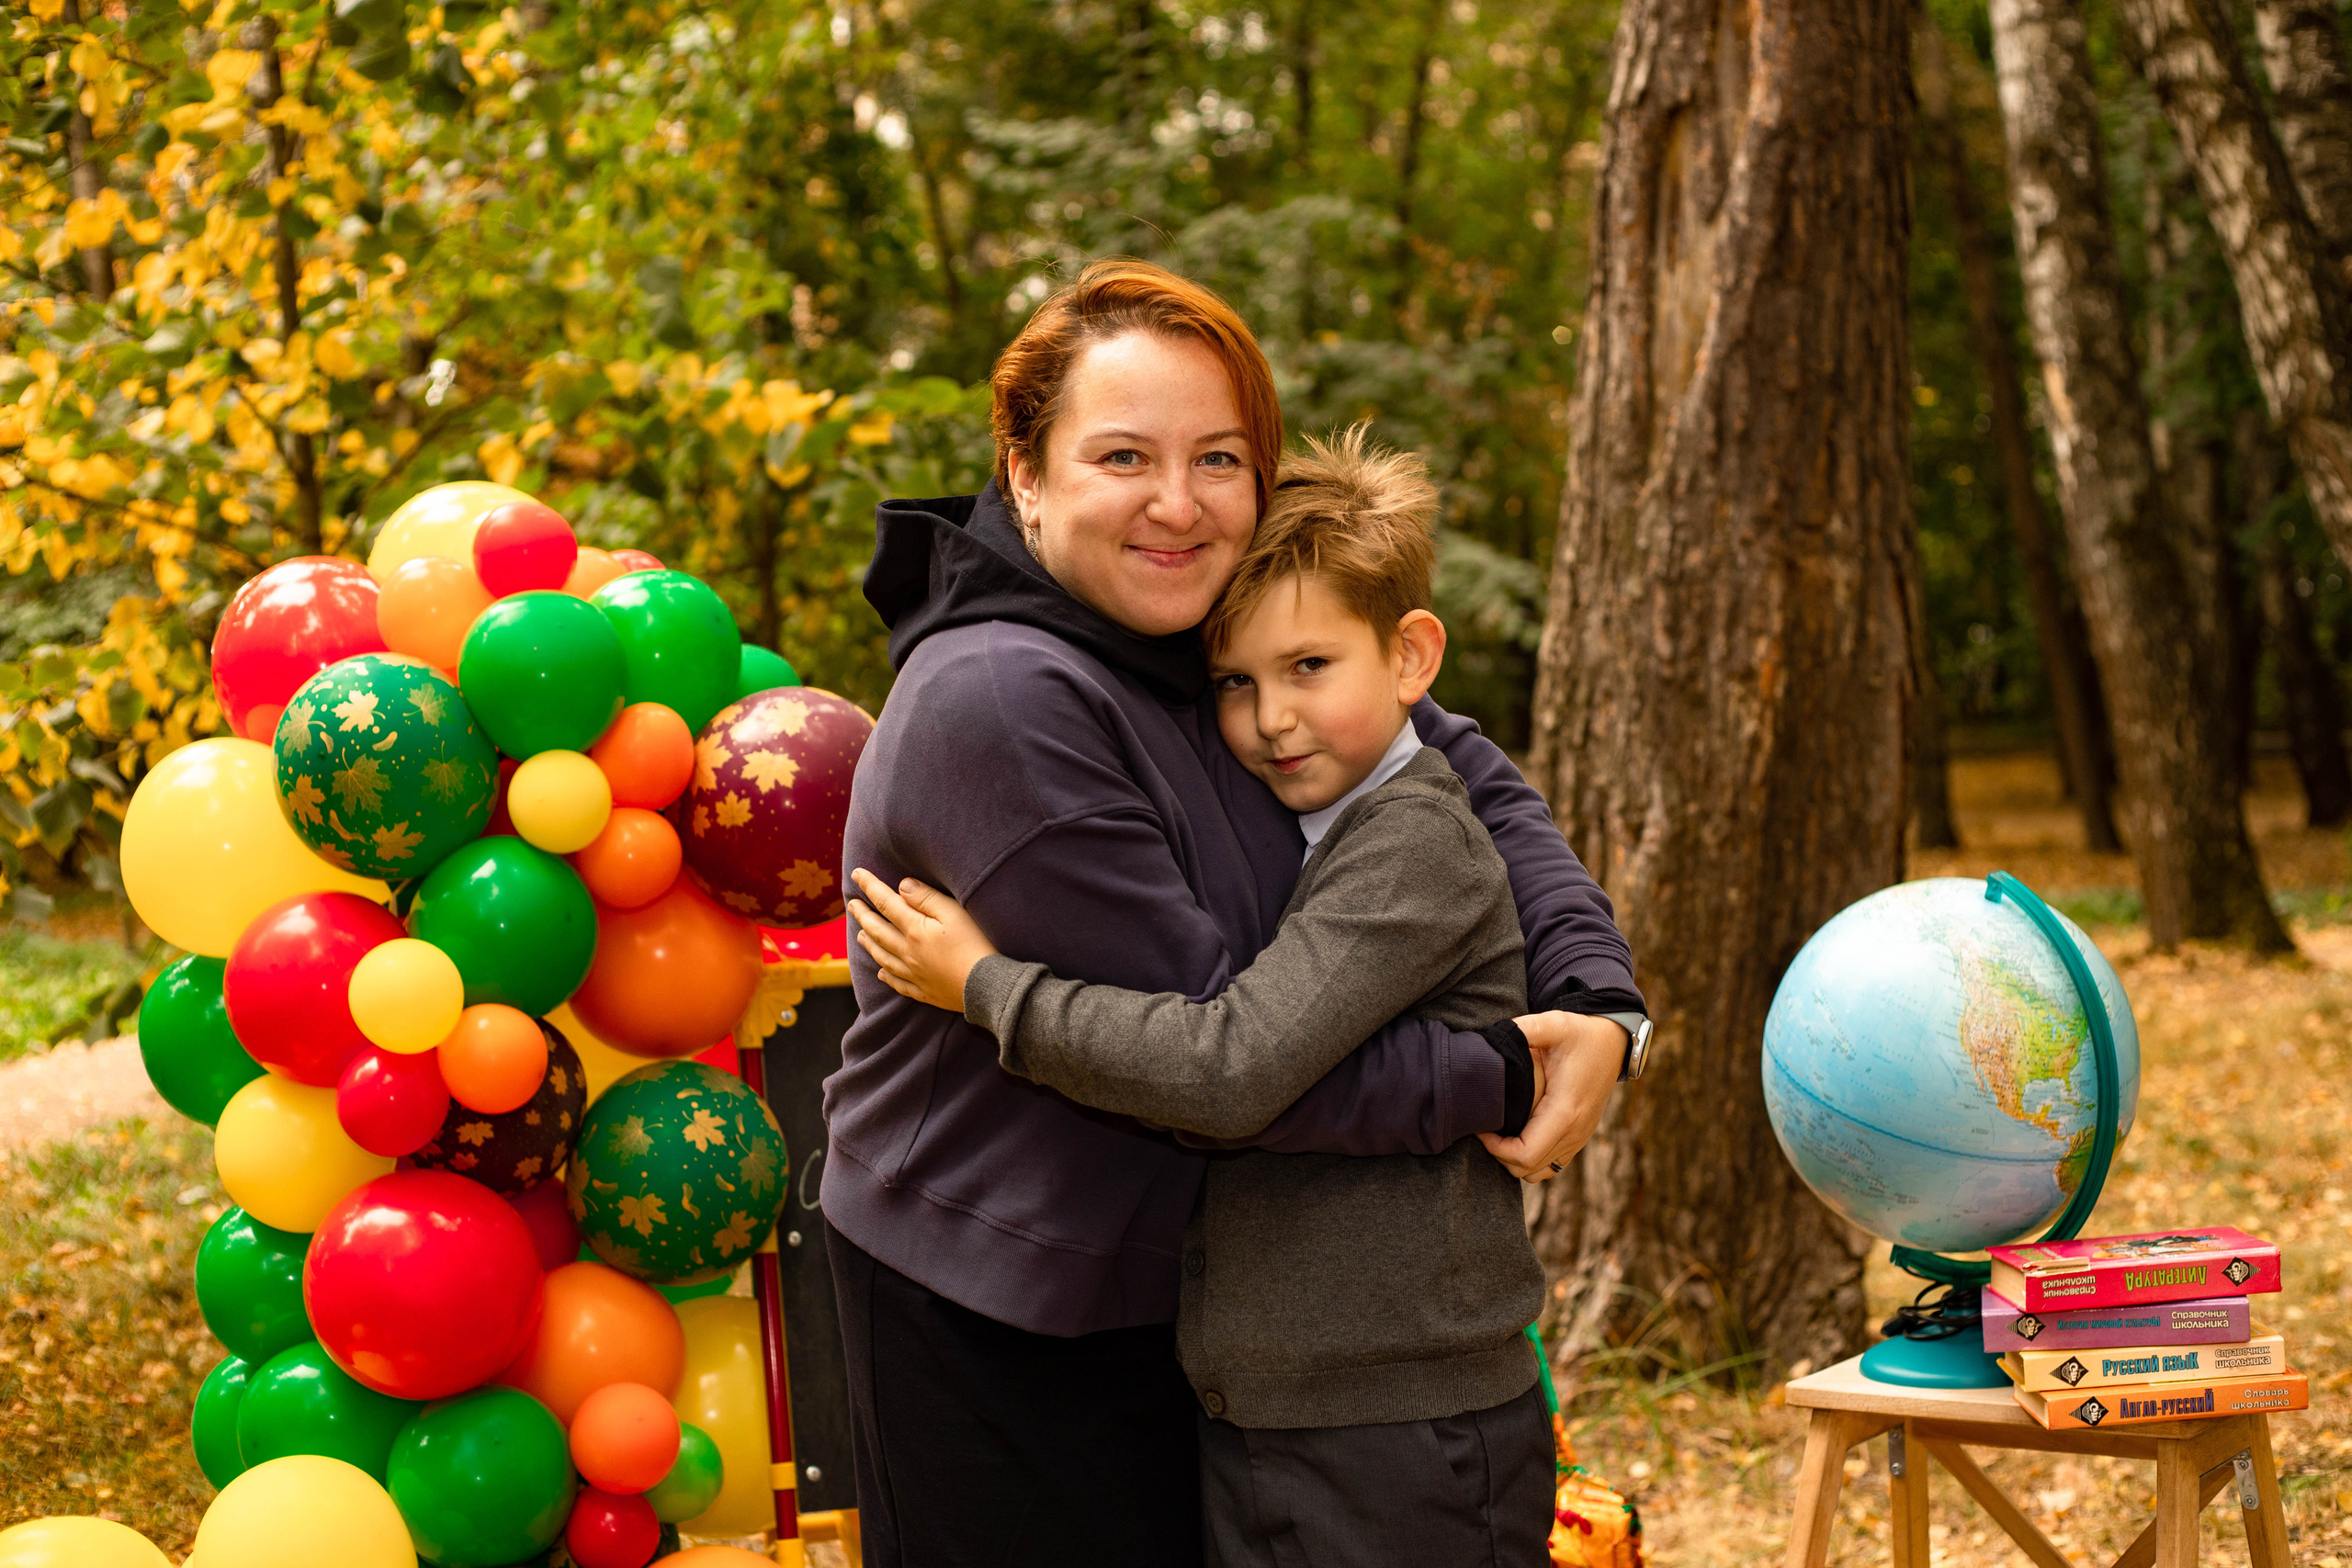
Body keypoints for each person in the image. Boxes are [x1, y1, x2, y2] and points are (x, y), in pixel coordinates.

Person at [823, 257, 1644, 1568]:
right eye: (1124, 456)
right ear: (1024, 475)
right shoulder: (1006, 704)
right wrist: (1495, 1074)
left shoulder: (1224, 637)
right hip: (1009, 1289)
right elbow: (1228, 1061)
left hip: (1203, 1307)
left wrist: (1599, 998)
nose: (1177, 502)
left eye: (1219, 459)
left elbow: (1467, 773)